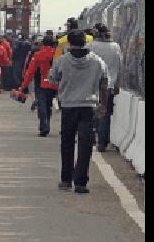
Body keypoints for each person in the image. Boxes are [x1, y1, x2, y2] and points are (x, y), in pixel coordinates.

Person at [46, 29, 109, 194]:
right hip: (89, 106)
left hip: (68, 106)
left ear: (69, 43)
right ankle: (81, 182)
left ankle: (66, 180)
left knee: (67, 143)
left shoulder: (62, 61)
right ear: (85, 42)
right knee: (85, 145)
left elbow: (52, 78)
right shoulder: (97, 61)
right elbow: (104, 84)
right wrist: (103, 105)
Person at [88, 25, 123, 152]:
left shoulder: (91, 46)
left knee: (92, 112)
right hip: (109, 84)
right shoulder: (116, 47)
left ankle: (93, 137)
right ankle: (102, 141)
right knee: (105, 113)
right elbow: (120, 67)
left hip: (92, 84)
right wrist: (117, 84)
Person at [17, 36, 58, 137]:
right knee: (48, 105)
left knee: (42, 105)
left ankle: (44, 126)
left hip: (41, 83)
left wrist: (23, 87)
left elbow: (30, 72)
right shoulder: (58, 55)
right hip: (54, 84)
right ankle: (46, 123)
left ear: (43, 44)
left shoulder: (38, 55)